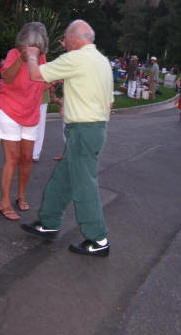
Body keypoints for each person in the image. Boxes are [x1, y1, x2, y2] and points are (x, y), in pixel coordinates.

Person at [20, 19, 113, 257]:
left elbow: (36, 75)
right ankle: (49, 222)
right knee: (64, 179)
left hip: (84, 129)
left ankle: (98, 239)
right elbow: (109, 101)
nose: (64, 43)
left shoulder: (75, 59)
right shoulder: (102, 61)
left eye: (65, 38)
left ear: (74, 38)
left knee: (84, 185)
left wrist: (32, 54)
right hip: (94, 128)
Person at [0, 22, 48, 221]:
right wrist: (21, 60)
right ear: (22, 43)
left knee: (27, 158)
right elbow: (7, 78)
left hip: (30, 112)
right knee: (13, 158)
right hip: (9, 109)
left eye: (36, 46)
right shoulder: (13, 54)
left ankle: (21, 195)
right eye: (28, 45)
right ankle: (4, 202)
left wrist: (54, 81)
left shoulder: (42, 58)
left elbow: (42, 84)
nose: (32, 50)